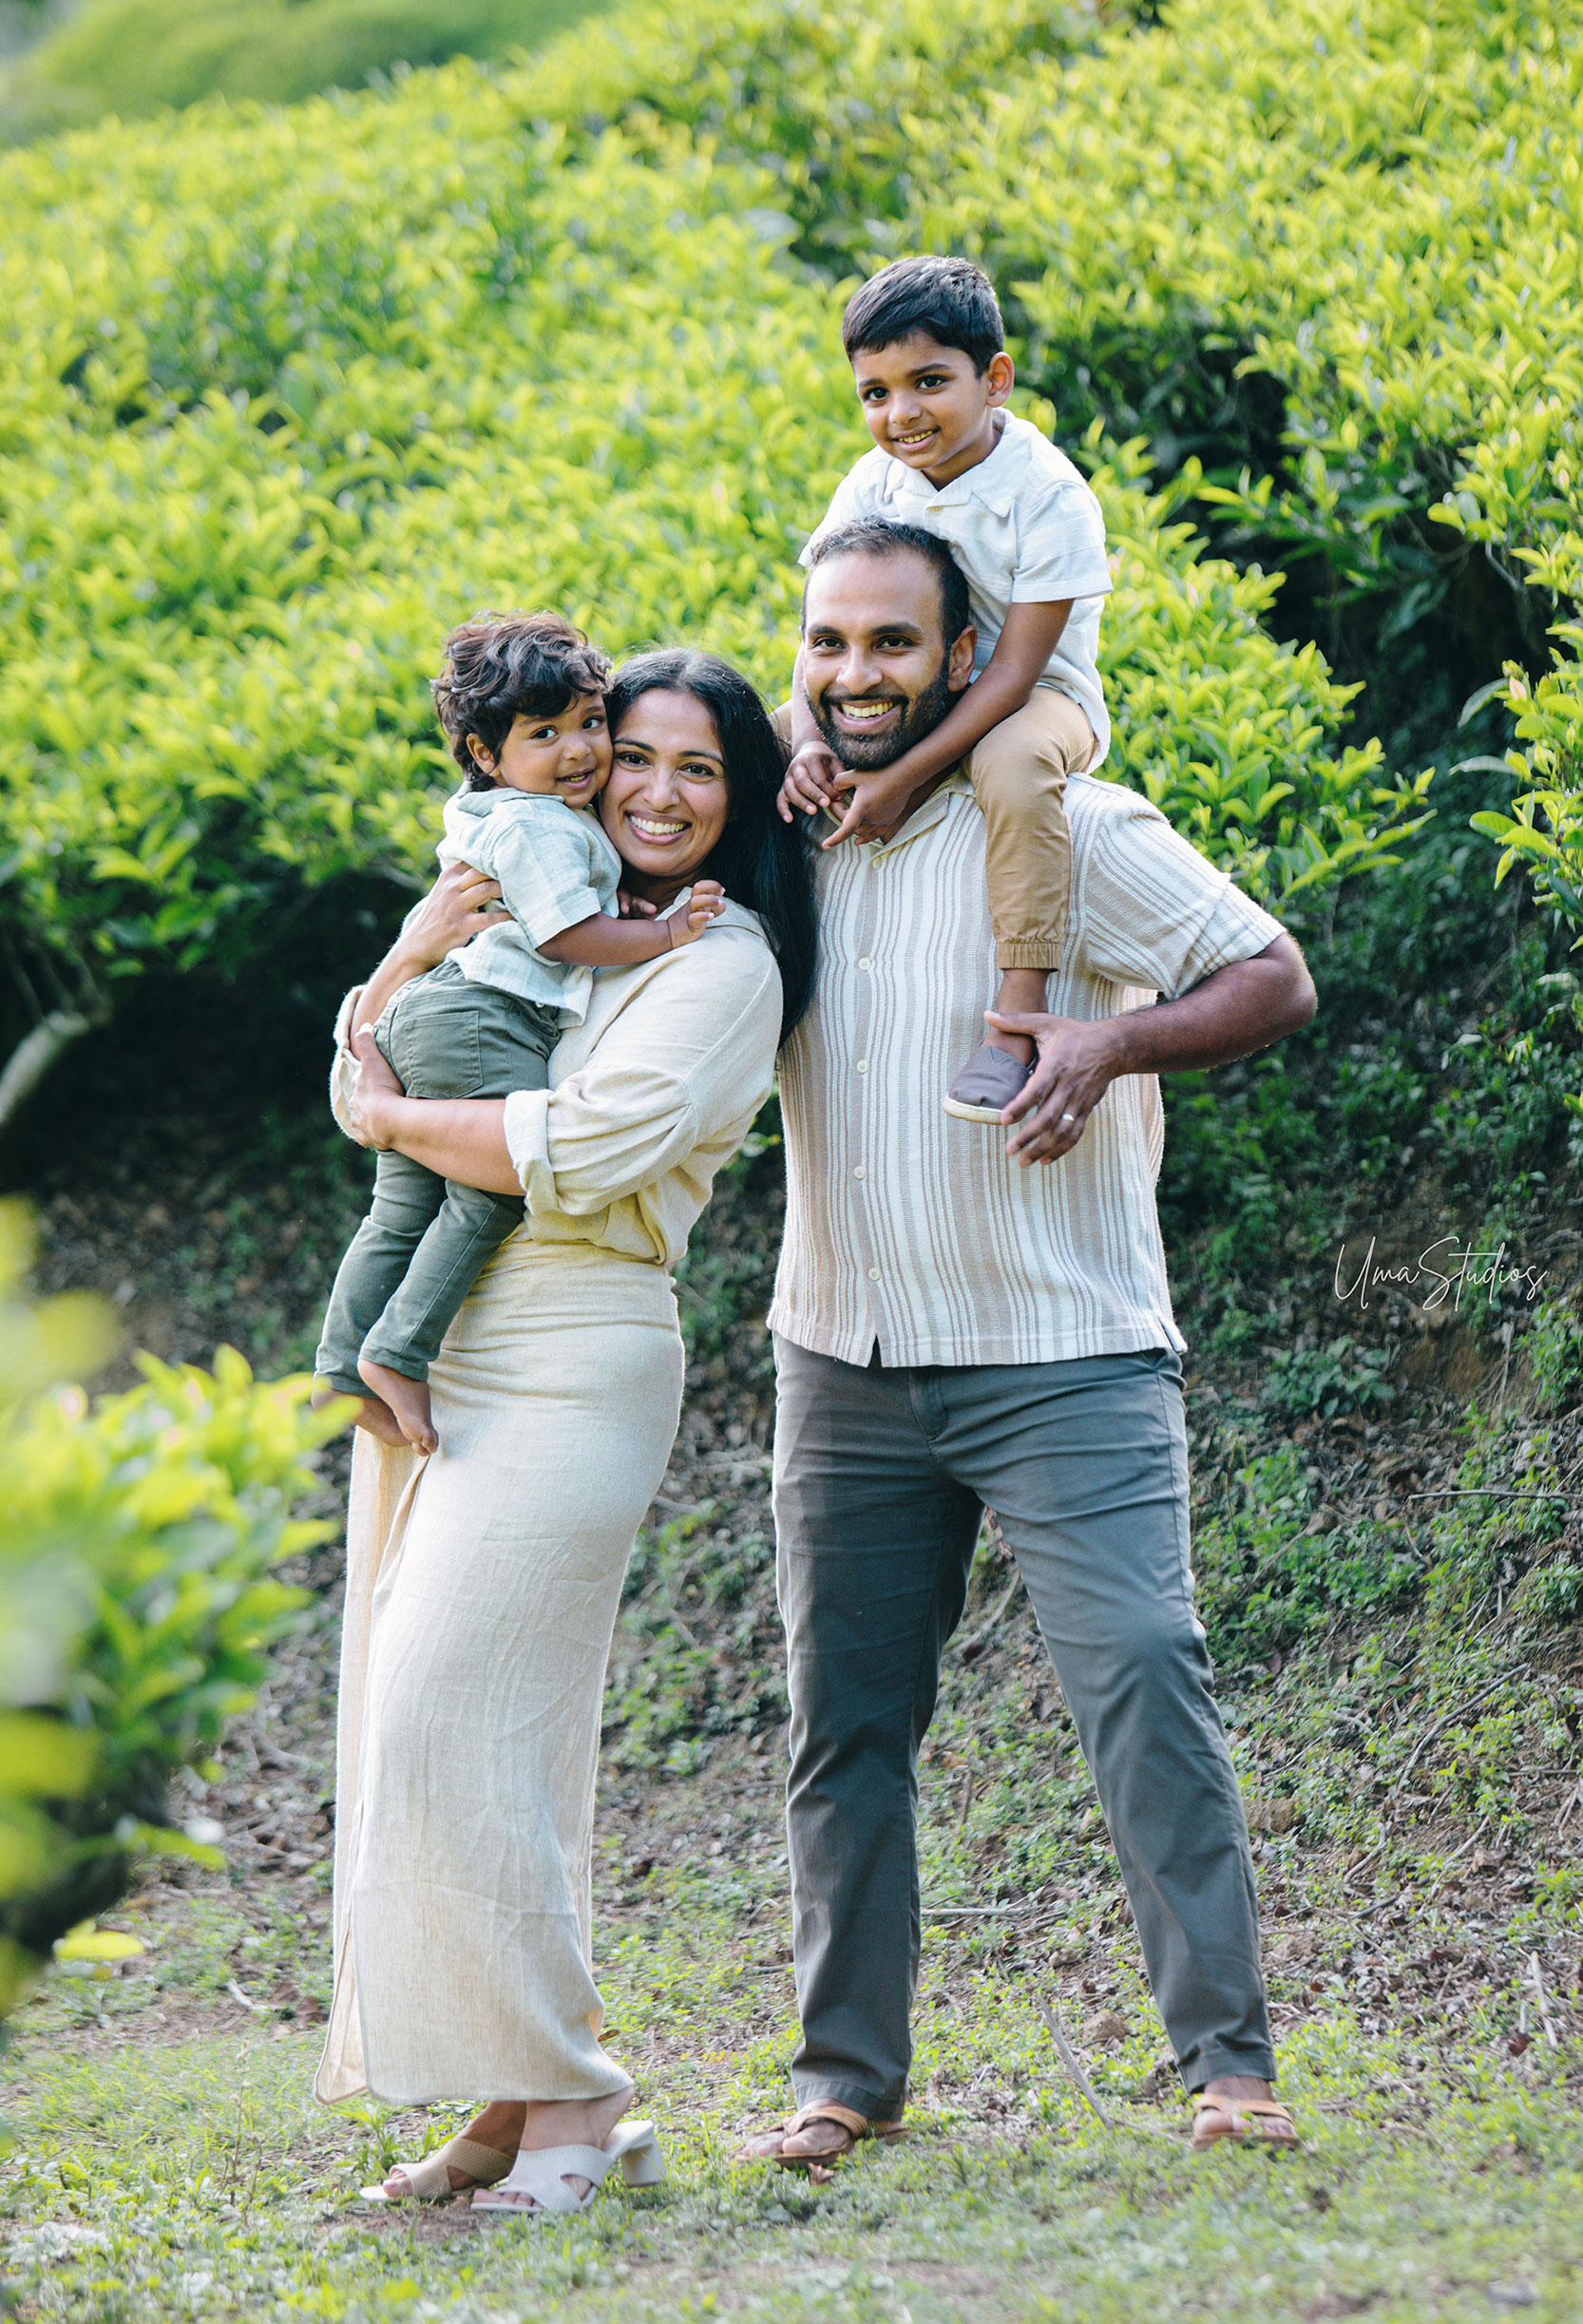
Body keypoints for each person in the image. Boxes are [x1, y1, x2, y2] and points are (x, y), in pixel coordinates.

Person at [740, 518, 1318, 2170]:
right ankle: (841, 2075)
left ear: (965, 655)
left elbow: (1269, 973)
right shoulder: (787, 840)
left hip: (1063, 1348)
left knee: (1144, 1670)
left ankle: (1230, 2063)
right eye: (829, 643)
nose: (856, 677)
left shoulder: (1064, 824)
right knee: (841, 1720)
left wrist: (1107, 1038)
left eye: (892, 646)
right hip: (839, 1354)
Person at [315, 650, 816, 2218]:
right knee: (466, 1736)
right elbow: (360, 1060)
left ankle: (583, 2095)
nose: (656, 790)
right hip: (451, 1337)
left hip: (579, 1346)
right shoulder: (562, 898)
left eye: (699, 769)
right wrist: (399, 965)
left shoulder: (721, 960)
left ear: (740, 798)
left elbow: (573, 1143)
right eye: (634, 757)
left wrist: (395, 1112)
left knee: (443, 1707)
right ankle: (509, 2095)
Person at [316, 612, 723, 1457]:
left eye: (591, 722)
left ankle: (341, 1364)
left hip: (431, 1012)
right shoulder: (537, 823)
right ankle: (396, 1350)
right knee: (495, 1180)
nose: (581, 750)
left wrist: (625, 910)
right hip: (481, 1016)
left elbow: (570, 909)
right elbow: (564, 937)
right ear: (486, 755)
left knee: (400, 1209)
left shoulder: (517, 812)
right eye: (546, 733)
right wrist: (666, 933)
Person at [778, 255, 1114, 1123]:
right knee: (750, 733)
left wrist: (903, 776)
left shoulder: (1048, 496)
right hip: (905, 680)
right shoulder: (872, 480)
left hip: (1036, 695)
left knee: (1010, 764)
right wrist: (810, 738)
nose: (901, 414)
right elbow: (819, 623)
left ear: (994, 378)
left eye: (929, 382)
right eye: (876, 392)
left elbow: (1011, 674)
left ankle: (1017, 1014)